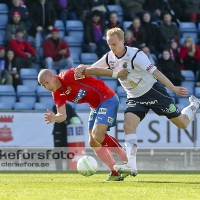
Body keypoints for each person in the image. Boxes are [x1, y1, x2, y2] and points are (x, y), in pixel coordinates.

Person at [75, 27, 200, 176]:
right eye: (109, 44)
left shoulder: (136, 55)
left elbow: (156, 72)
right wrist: (83, 68)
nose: (112, 47)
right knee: (128, 125)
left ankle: (194, 105)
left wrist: (173, 88)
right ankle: (132, 165)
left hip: (153, 92)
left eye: (114, 44)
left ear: (123, 40)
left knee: (182, 123)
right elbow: (94, 68)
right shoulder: (110, 57)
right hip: (135, 97)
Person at [38, 67, 129, 181]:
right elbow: (63, 115)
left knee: (97, 135)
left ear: (52, 76)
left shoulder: (68, 75)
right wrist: (55, 118)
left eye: (47, 82)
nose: (47, 87)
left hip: (107, 98)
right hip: (95, 106)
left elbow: (93, 70)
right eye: (43, 86)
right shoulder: (56, 93)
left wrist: (117, 74)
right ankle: (115, 173)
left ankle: (126, 158)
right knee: (93, 142)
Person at [52, 103, 81, 170]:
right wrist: (68, 122)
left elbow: (74, 116)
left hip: (67, 133)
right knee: (58, 151)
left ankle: (69, 168)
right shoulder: (55, 107)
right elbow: (59, 117)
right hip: (58, 132)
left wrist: (79, 121)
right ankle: (58, 168)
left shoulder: (69, 106)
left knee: (68, 151)